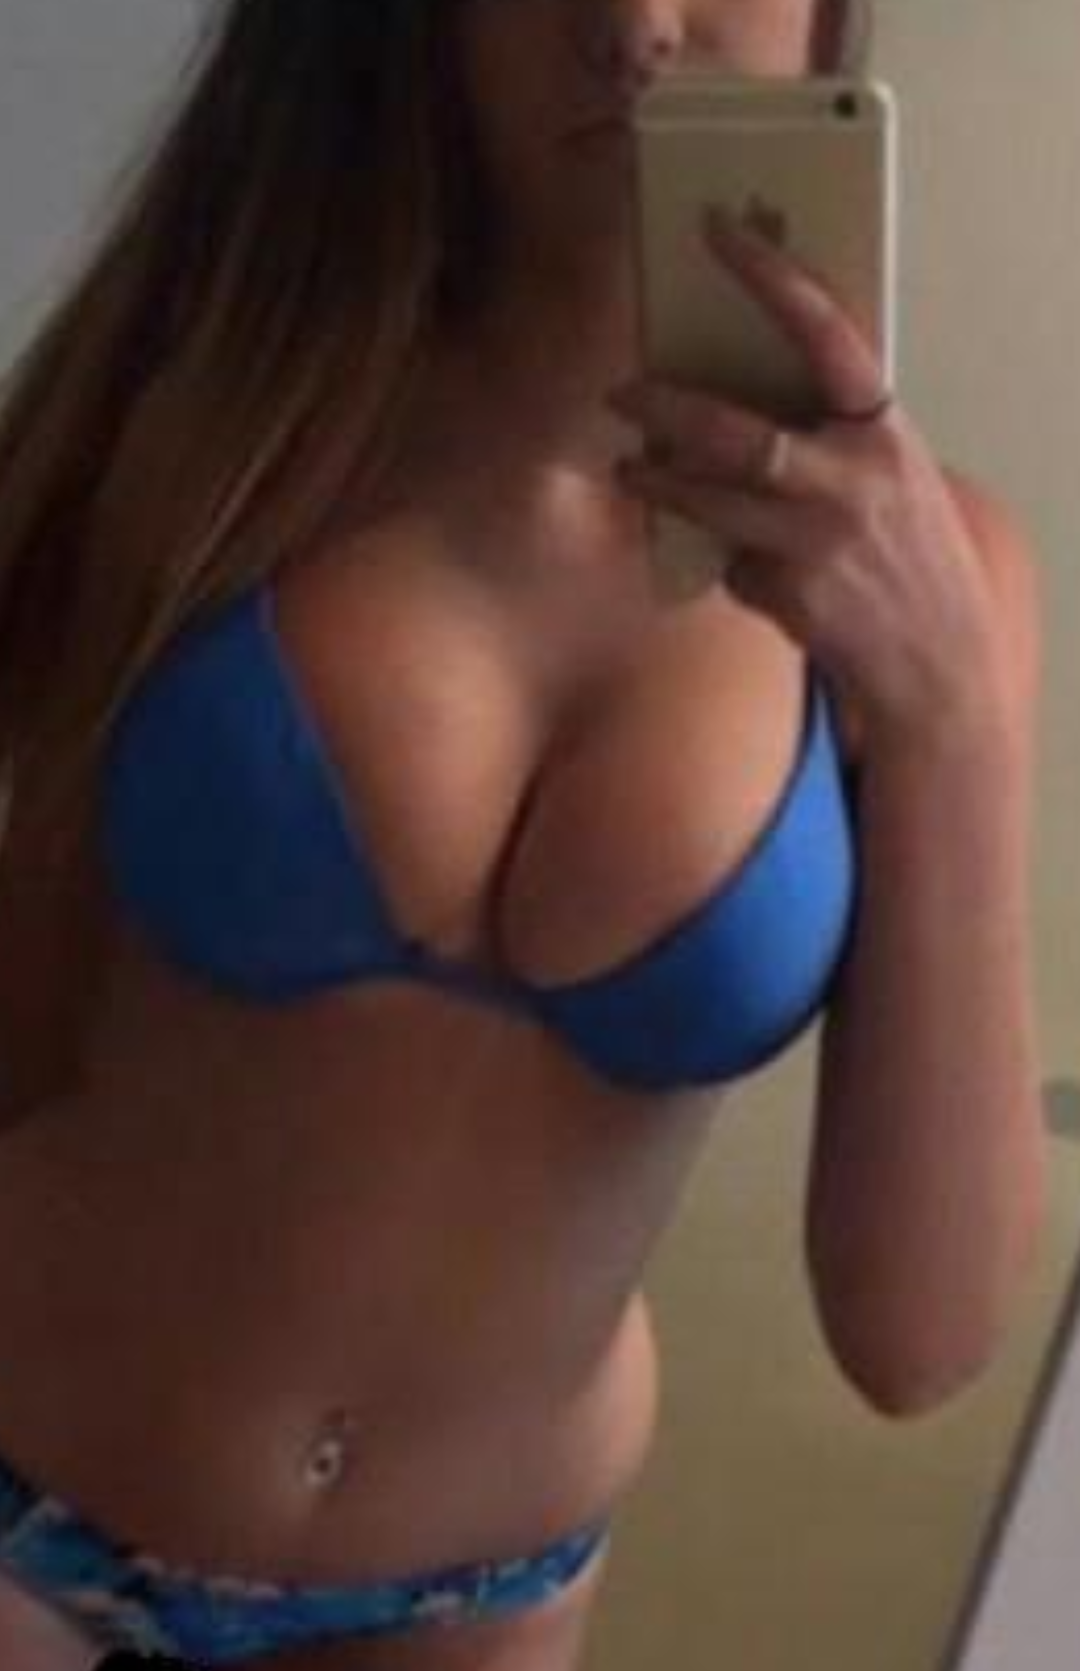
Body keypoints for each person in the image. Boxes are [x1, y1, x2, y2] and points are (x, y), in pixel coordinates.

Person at [0, 0, 1045, 1667]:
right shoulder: (220, 399)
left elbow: (918, 1338)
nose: (633, 26)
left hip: (475, 1599)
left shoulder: (934, 591)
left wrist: (950, 716)